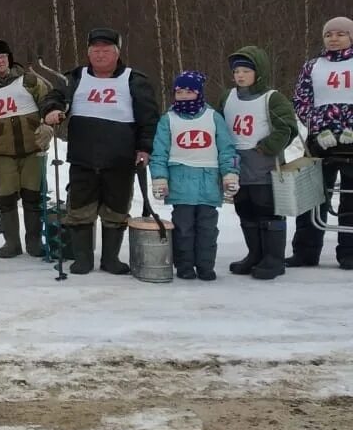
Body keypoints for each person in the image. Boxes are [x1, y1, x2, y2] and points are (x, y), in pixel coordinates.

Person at [42, 28, 161, 275]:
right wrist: (51, 110)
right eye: (95, 51)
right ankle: (83, 259)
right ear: (88, 53)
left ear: (117, 53)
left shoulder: (134, 80)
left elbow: (149, 118)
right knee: (80, 210)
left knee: (116, 211)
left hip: (120, 159)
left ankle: (110, 259)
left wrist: (145, 148)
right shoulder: (76, 77)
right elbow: (54, 96)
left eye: (106, 51)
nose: (100, 55)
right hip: (83, 158)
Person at [217, 46, 299, 280]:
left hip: (264, 165)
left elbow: (287, 127)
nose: (240, 76)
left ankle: (273, 259)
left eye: (246, 71)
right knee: (245, 210)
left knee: (268, 211)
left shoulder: (272, 98)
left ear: (259, 72)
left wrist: (269, 146)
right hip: (236, 165)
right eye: (237, 71)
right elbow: (219, 122)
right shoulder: (228, 96)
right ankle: (255, 254)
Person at [150, 72, 238, 281]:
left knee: (207, 229)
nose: (183, 96)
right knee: (183, 229)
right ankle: (184, 266)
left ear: (198, 93)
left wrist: (230, 174)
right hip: (180, 184)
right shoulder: (168, 120)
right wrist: (159, 178)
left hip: (209, 184)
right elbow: (159, 152)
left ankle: (206, 266)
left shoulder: (213, 117)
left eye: (189, 91)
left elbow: (227, 149)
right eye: (179, 92)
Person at [0, 40, 53, 258]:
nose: (0, 60)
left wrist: (47, 124)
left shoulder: (29, 80)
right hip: (2, 153)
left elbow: (49, 103)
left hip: (33, 148)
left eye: (4, 56)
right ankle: (12, 243)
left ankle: (34, 241)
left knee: (33, 196)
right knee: (5, 198)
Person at [288, 16, 353, 270]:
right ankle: (305, 251)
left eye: (340, 34)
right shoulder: (313, 66)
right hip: (321, 140)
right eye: (329, 35)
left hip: (351, 140)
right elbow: (301, 100)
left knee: (350, 198)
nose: (334, 39)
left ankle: (349, 252)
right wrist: (318, 126)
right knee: (312, 196)